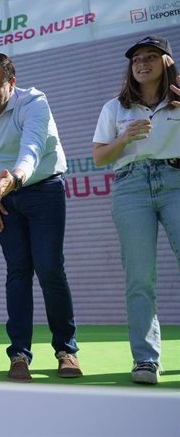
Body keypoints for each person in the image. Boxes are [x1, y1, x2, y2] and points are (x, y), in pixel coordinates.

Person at [0, 53, 82, 383]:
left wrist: (14, 177)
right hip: (2, 198)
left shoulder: (34, 103)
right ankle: (19, 354)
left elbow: (32, 148)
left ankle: (66, 350)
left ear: (11, 83)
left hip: (42, 190)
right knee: (17, 272)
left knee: (50, 269)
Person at [92, 35, 180, 385]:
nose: (142, 63)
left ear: (167, 63)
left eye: (151, 57)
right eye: (136, 59)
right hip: (131, 185)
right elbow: (100, 157)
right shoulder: (115, 107)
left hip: (176, 178)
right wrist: (124, 138)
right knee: (140, 277)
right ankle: (146, 360)